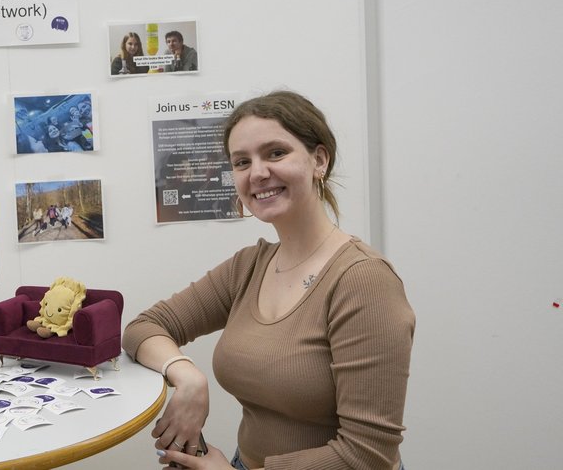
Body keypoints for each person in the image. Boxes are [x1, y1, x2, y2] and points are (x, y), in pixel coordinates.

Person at [122, 90, 415, 470]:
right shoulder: (249, 267)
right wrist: (187, 377)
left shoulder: (364, 281)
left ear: (319, 160)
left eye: (276, 153)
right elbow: (144, 327)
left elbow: (368, 456)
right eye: (242, 161)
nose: (257, 173)